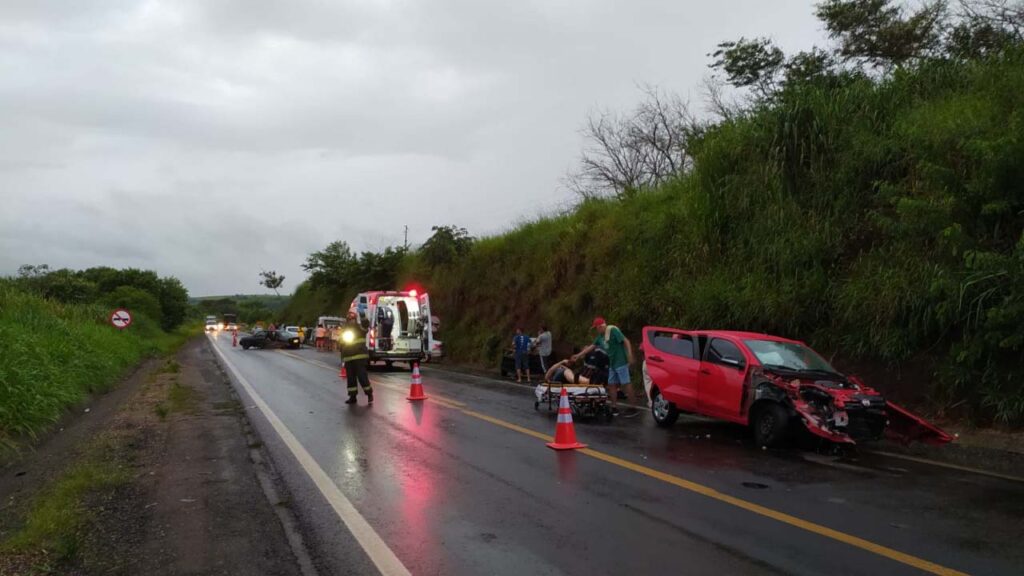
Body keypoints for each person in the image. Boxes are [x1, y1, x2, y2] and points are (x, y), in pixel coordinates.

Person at [573, 317, 637, 417]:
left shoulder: (613, 330)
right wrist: (579, 355)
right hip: (612, 363)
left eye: (597, 328)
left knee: (625, 383)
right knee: (611, 384)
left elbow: (626, 341)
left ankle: (633, 407)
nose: (596, 330)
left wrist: (629, 355)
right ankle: (614, 407)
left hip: (620, 361)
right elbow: (591, 347)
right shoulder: (600, 337)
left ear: (601, 326)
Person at [340, 312, 373, 404]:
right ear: (347, 321)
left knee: (362, 377)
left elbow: (365, 325)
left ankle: (369, 394)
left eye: (353, 319)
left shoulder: (360, 328)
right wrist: (342, 358)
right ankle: (352, 396)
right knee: (351, 379)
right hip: (348, 358)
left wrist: (363, 317)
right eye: (350, 320)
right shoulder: (344, 331)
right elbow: (341, 345)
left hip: (359, 357)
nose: (352, 321)